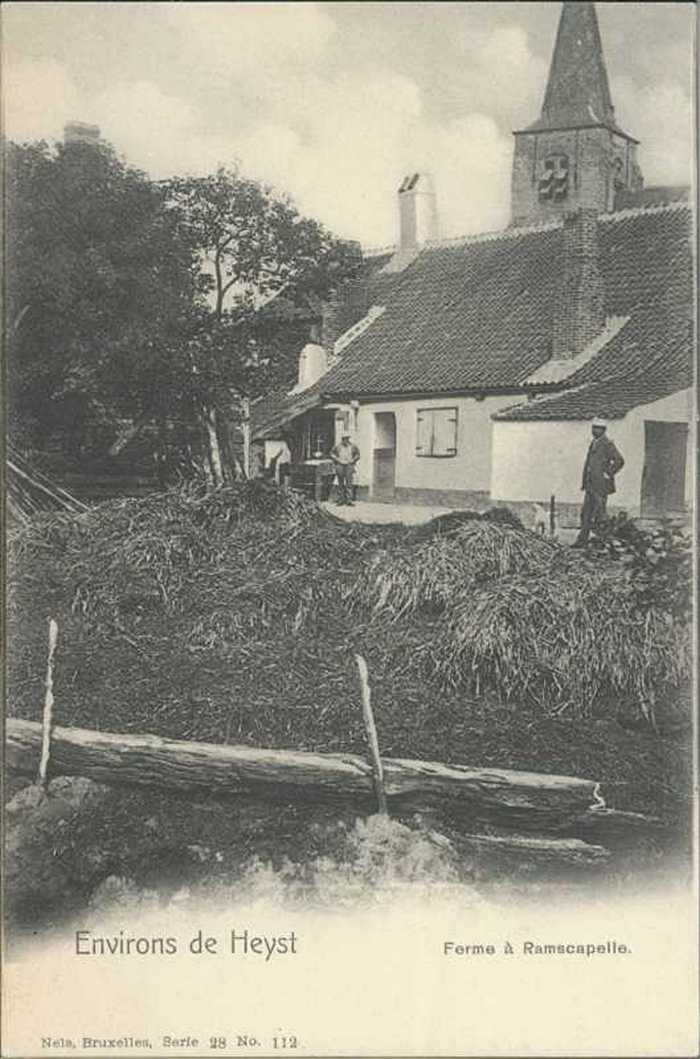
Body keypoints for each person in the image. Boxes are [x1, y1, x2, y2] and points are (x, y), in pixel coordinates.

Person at [572, 417, 624, 547]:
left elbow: (619, 460)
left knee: (600, 515)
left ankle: (603, 542)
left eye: (597, 428)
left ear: (603, 430)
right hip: (590, 485)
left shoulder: (607, 444)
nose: (594, 431)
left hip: (601, 486)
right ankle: (582, 541)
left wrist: (608, 473)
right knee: (586, 513)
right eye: (593, 428)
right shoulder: (594, 443)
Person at [330, 433, 360, 505]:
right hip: (340, 465)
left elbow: (358, 454)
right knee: (340, 483)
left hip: (349, 465)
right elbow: (332, 453)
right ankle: (341, 499)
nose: (345, 440)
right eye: (344, 439)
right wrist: (337, 459)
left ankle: (349, 500)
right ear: (342, 439)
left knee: (349, 483)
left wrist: (353, 460)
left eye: (347, 439)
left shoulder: (353, 446)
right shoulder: (337, 446)